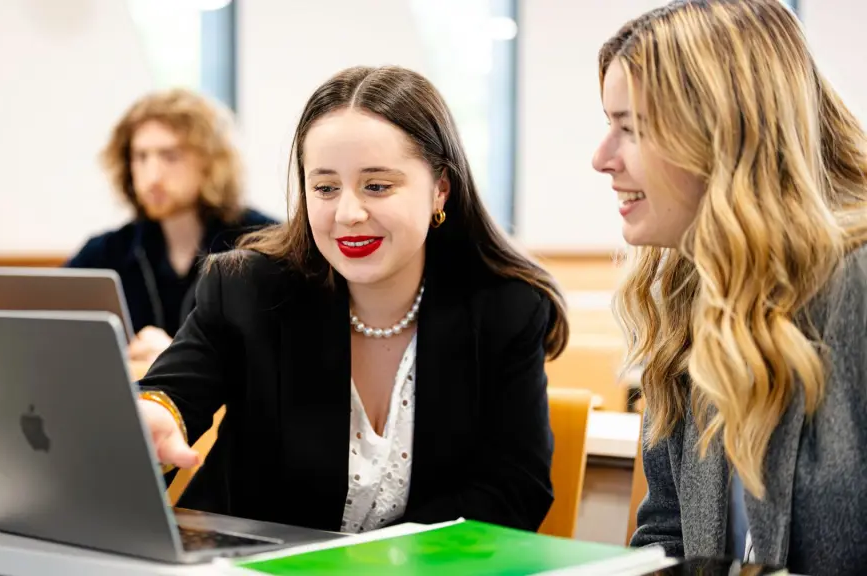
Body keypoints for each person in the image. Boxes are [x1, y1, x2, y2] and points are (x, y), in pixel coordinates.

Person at [133, 65, 569, 534]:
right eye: (325, 188)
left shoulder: (506, 308)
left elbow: (514, 489)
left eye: (377, 186)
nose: (348, 213)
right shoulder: (247, 287)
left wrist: (378, 561)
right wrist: (156, 416)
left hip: (422, 568)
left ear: (440, 188)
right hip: (251, 564)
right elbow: (173, 395)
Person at [592, 1, 867, 573]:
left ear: (724, 137)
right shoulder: (687, 297)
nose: (602, 158)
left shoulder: (854, 289)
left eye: (630, 129)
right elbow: (667, 538)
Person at [66, 89, 276, 364]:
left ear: (209, 162)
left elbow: (283, 357)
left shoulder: (266, 245)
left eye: (170, 156)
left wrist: (178, 356)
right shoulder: (105, 253)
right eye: (141, 156)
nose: (152, 176)